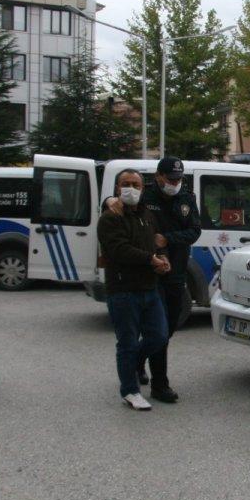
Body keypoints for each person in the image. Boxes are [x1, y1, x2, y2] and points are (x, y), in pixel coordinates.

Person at [102, 158, 202, 403]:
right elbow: (120, 205)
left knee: (164, 332)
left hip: (175, 270)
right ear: (158, 177)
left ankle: (137, 361)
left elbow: (195, 231)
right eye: (170, 179)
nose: (174, 183)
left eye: (178, 179)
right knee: (151, 330)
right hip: (150, 274)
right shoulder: (144, 194)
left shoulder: (187, 198)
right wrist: (108, 201)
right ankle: (160, 384)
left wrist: (167, 240)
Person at [98, 169, 171, 411]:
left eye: (136, 184)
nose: (131, 188)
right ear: (118, 188)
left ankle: (134, 363)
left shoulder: (147, 215)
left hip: (149, 288)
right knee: (127, 342)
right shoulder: (110, 217)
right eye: (126, 184)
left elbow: (156, 243)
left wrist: (163, 259)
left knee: (159, 336)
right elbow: (119, 250)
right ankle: (130, 390)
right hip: (123, 290)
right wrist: (151, 259)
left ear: (142, 188)